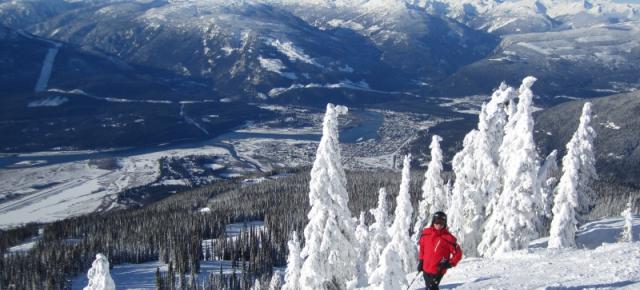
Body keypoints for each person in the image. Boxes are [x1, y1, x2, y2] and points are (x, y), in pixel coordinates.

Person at [417, 211, 462, 290]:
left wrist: (449, 264)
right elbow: (422, 248)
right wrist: (421, 261)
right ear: (433, 222)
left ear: (445, 224)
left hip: (438, 270)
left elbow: (458, 254)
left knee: (432, 288)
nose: (439, 225)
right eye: (437, 222)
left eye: (441, 223)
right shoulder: (426, 233)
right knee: (428, 288)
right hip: (426, 269)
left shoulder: (448, 238)